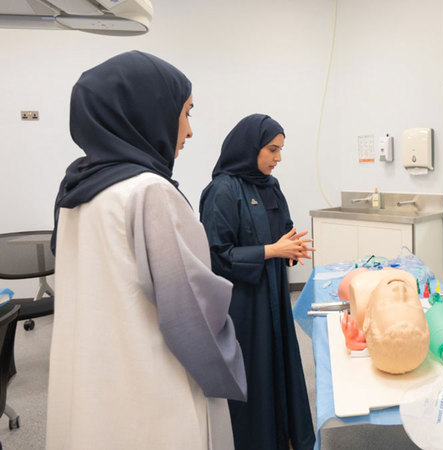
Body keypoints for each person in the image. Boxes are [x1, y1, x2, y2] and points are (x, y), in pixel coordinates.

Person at [46, 51, 247, 449]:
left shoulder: (74, 190)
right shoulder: (149, 192)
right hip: (153, 386)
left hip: (90, 382)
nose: (189, 131)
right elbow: (191, 312)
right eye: (185, 113)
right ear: (148, 110)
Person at [199, 114, 315, 450]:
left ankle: (287, 437)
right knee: (254, 372)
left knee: (280, 364)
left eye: (281, 150)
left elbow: (284, 230)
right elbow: (216, 255)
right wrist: (271, 250)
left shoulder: (270, 186)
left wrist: (291, 250)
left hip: (274, 294)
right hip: (244, 304)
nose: (279, 158)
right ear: (250, 148)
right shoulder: (222, 191)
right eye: (272, 150)